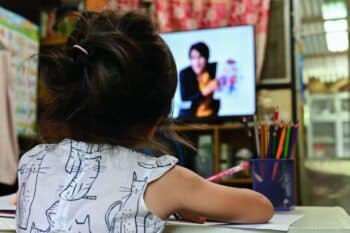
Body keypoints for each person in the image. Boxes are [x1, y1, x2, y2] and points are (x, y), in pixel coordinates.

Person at [16, 11, 273, 233]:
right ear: (155, 123)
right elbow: (261, 208)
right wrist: (182, 200)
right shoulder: (163, 179)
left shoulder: (31, 162)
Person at [179, 42, 220, 118]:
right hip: (189, 119)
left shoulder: (214, 69)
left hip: (212, 118)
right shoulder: (185, 73)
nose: (197, 62)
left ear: (207, 58)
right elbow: (185, 100)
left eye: (200, 57)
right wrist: (206, 90)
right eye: (193, 58)